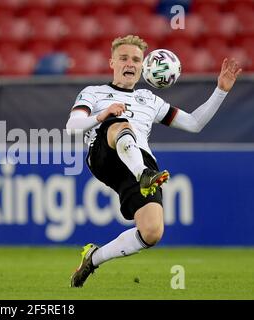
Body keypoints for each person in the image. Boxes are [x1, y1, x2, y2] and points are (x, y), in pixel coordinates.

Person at [67, 35, 241, 288]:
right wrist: (102, 114)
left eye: (136, 59)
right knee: (119, 123)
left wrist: (221, 91)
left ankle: (94, 258)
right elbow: (72, 126)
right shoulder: (94, 93)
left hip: (138, 159)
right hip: (104, 153)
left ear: (143, 66)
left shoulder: (150, 100)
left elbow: (194, 124)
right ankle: (143, 173)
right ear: (112, 62)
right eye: (124, 58)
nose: (130, 63)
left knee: (151, 232)